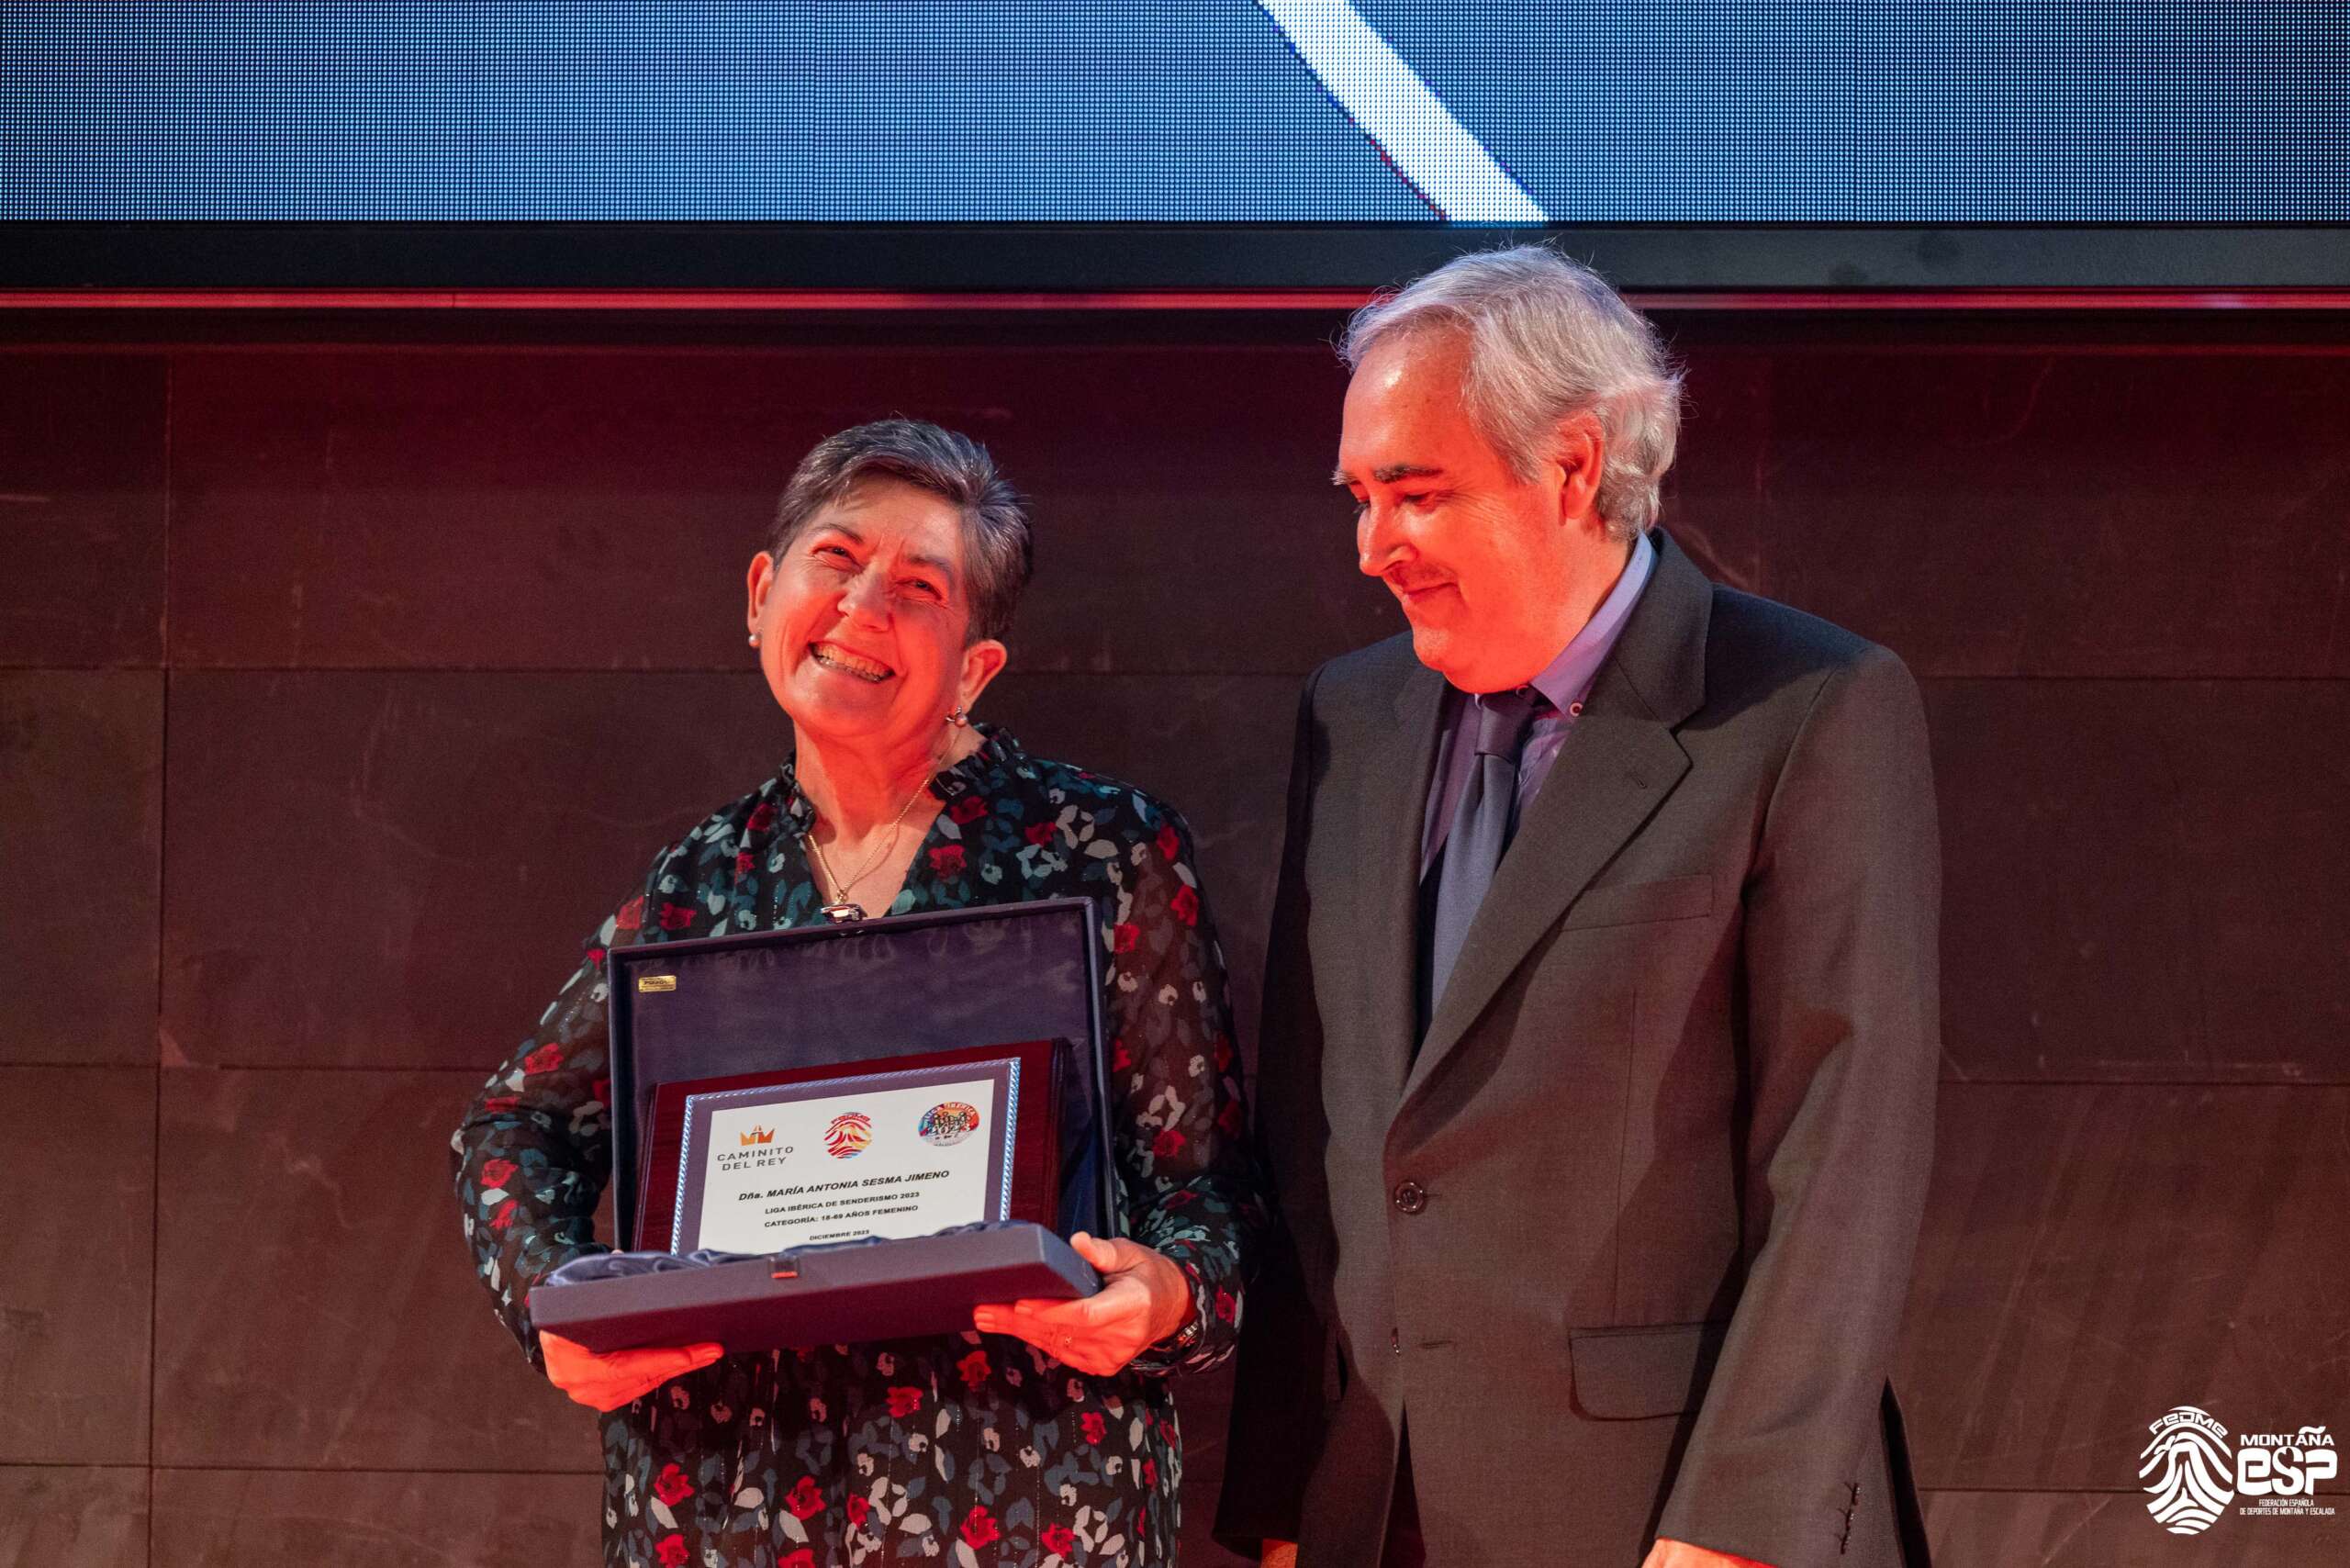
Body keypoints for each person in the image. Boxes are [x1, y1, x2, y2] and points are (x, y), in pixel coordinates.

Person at [1215, 247, 1940, 1568]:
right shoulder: (1349, 715)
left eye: (1415, 494)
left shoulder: (1808, 708)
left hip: (1660, 1518)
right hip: (1372, 1508)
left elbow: (1840, 1160)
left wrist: (1732, 1536)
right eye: (1361, 498)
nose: (1374, 548)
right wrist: (1278, 1501)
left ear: (1569, 465)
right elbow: (1311, 1132)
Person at [453, 419, 1266, 1567]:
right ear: (761, 595)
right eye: (836, 559)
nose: (864, 605)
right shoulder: (701, 882)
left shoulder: (1102, 852)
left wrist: (1170, 1298)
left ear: (975, 665)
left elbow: (1210, 1195)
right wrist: (557, 1309)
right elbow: (510, 1125)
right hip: (724, 1502)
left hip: (1018, 1494)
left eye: (920, 587)